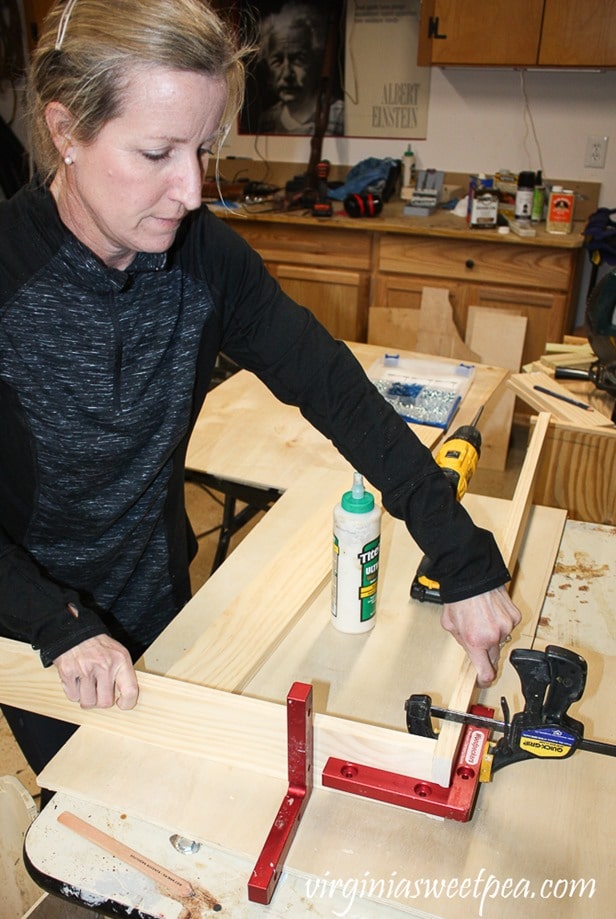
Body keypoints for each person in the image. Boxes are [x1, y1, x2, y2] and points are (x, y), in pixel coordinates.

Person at [0, 0, 520, 778]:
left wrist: (464, 557)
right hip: (30, 622)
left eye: (203, 147)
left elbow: (336, 390)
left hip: (160, 593)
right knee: (95, 811)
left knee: (186, 795)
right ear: (67, 131)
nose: (191, 188)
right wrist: (52, 620)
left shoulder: (205, 261)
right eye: (157, 151)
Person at [256, 2, 344, 135]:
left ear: (315, 60)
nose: (287, 74)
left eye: (298, 59)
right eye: (277, 61)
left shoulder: (339, 115)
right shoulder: (267, 120)